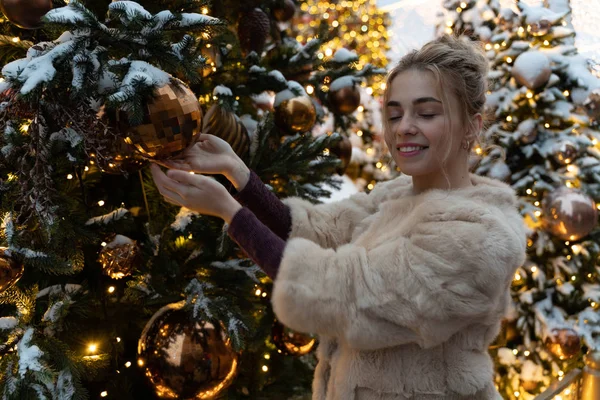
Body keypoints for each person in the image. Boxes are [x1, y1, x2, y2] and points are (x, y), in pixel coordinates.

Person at [150, 34, 527, 400]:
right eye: (394, 114)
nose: (403, 127)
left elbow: (345, 294)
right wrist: (238, 174)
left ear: (472, 127)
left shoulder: (479, 238)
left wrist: (229, 211)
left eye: (426, 112)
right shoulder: (395, 196)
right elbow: (316, 235)